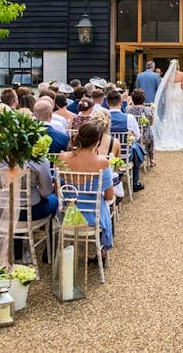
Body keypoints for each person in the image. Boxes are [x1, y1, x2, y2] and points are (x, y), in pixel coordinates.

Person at [58, 122, 115, 259]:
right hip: (92, 217)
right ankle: (102, 252)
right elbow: (109, 196)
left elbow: (57, 190)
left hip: (68, 213)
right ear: (97, 142)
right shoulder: (102, 162)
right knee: (106, 205)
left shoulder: (62, 158)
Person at [153, 59, 183, 150]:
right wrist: (178, 91)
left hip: (169, 93)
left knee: (169, 111)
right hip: (178, 93)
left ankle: (167, 135)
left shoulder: (167, 75)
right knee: (178, 111)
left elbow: (164, 87)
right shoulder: (182, 74)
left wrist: (170, 89)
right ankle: (180, 135)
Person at [126, 88, 155, 167]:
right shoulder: (148, 110)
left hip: (132, 136)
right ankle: (151, 159)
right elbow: (151, 123)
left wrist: (129, 103)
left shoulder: (128, 109)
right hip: (145, 137)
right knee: (150, 134)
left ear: (133, 99)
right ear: (143, 99)